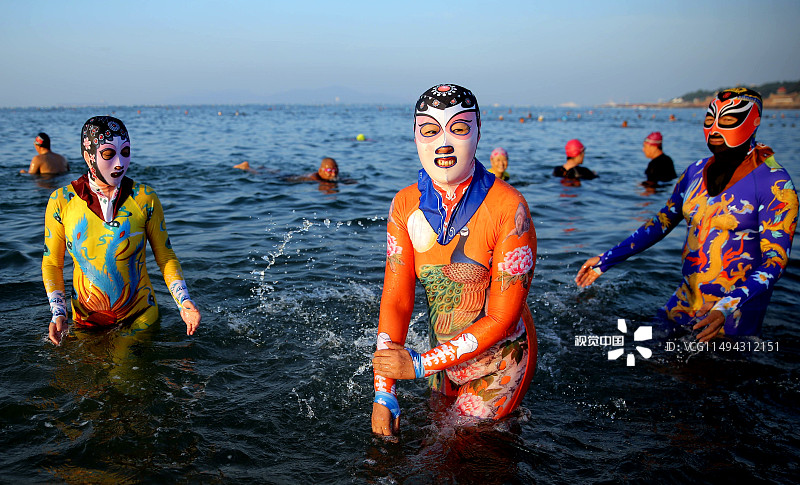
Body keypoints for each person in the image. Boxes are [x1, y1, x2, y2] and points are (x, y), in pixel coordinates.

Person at [371, 84, 538, 436]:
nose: (443, 143)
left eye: (458, 128)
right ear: (415, 136)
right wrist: (383, 393)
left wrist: (417, 365)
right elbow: (397, 301)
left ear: (478, 132)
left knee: (468, 451)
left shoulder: (510, 208)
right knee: (436, 449)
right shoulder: (404, 205)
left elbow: (502, 317)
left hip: (500, 359)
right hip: (440, 361)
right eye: (430, 130)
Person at [575, 88, 797, 342]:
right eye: (709, 119)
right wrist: (607, 259)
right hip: (683, 303)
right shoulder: (695, 172)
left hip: (733, 318)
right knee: (636, 357)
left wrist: (727, 307)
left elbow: (775, 261)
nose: (714, 129)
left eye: (726, 121)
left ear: (753, 122)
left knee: (708, 379)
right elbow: (661, 223)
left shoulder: (775, 184)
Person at [43, 116, 201, 345]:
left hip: (139, 316)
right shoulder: (61, 201)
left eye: (125, 152)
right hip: (86, 321)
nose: (119, 163)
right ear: (89, 156)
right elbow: (52, 263)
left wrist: (184, 302)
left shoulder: (144, 198)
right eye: (108, 154)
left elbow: (165, 256)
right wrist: (58, 313)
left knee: (124, 371)